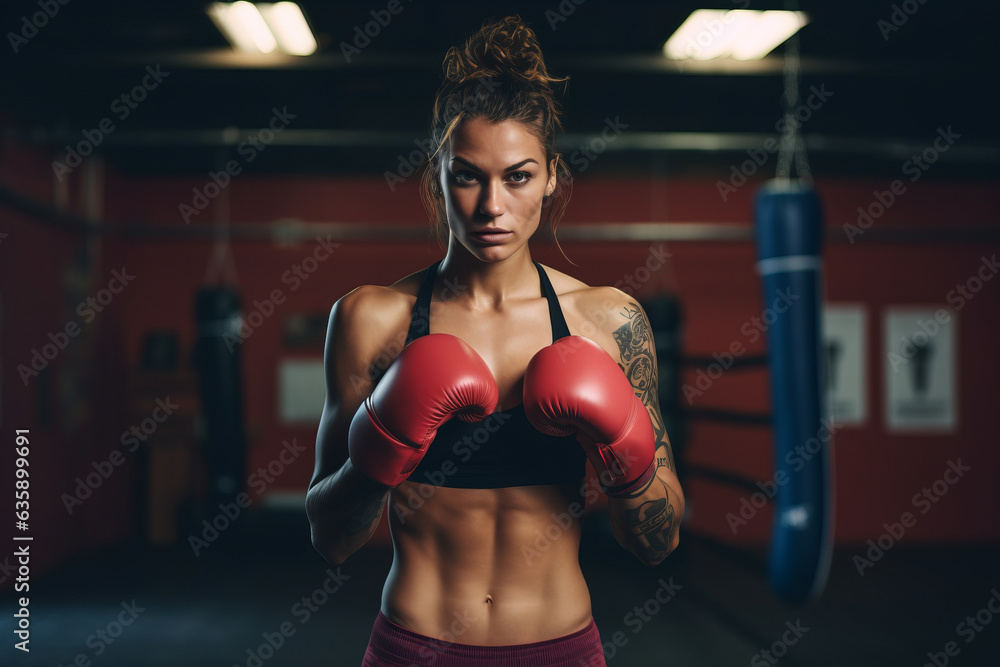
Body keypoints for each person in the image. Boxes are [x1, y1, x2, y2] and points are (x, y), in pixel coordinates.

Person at [305, 15, 684, 667]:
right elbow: (331, 538)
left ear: (552, 176)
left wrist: (624, 449)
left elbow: (658, 540)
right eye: (468, 175)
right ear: (438, 175)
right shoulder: (373, 319)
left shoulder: (609, 320)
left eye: (517, 175)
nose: (491, 207)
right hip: (413, 646)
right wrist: (381, 446)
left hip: (561, 646)